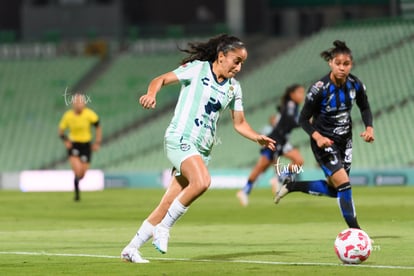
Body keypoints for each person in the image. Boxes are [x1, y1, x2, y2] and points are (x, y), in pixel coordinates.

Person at [121, 34, 276, 263]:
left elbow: (240, 123)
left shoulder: (234, 88)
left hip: (202, 149)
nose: (239, 67)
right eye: (236, 60)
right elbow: (161, 79)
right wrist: (151, 94)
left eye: (242, 62)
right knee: (202, 182)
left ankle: (131, 249)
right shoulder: (197, 69)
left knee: (167, 203)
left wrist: (257, 138)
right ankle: (163, 228)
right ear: (221, 56)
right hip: (180, 138)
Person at [274, 40, 374, 230]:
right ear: (330, 63)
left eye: (346, 64)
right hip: (324, 142)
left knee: (336, 190)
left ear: (351, 64)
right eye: (338, 63)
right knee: (344, 184)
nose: (342, 68)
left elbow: (365, 107)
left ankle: (293, 186)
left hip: (346, 142)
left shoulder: (355, 85)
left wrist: (369, 127)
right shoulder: (319, 89)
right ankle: (356, 233)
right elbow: (303, 119)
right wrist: (318, 137)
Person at [237, 84, 305, 206]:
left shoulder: (293, 106)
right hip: (275, 139)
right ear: (292, 94)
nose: (302, 96)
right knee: (261, 166)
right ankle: (245, 191)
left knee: (298, 160)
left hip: (283, 141)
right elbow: (290, 120)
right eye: (299, 93)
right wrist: (303, 122)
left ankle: (278, 178)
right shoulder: (290, 104)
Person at [58, 92, 102, 201]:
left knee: (82, 174)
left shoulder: (89, 114)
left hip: (86, 146)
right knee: (77, 170)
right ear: (73, 104)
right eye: (76, 102)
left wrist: (97, 142)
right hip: (74, 145)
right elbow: (61, 131)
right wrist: (66, 141)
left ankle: (77, 182)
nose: (79, 104)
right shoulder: (68, 116)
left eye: (81, 102)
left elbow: (98, 126)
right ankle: (77, 195)